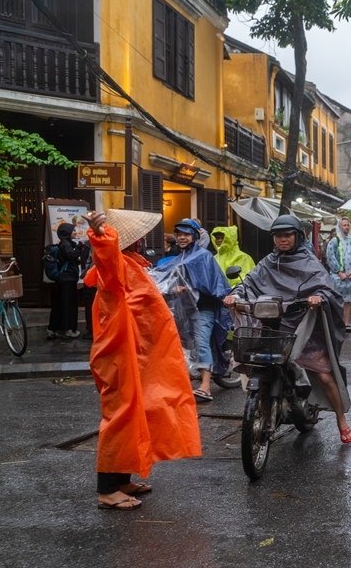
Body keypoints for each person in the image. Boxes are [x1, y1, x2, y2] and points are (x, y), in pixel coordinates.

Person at [83, 209, 201, 511]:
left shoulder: (131, 264)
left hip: (134, 352)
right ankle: (107, 489)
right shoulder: (116, 265)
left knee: (136, 412)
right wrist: (101, 237)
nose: (142, 240)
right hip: (120, 353)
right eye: (137, 237)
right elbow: (106, 260)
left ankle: (121, 478)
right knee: (120, 416)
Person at [224, 215, 351, 444]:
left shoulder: (309, 261)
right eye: (278, 236)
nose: (282, 240)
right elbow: (249, 283)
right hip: (274, 326)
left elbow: (327, 288)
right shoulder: (268, 262)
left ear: (297, 237)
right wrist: (235, 295)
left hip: (304, 327)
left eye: (287, 235)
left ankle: (341, 419)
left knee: (323, 375)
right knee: (256, 362)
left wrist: (317, 297)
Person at [155, 218, 230, 403]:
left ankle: (205, 387)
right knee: (183, 346)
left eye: (186, 234)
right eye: (179, 234)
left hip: (203, 308)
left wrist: (190, 288)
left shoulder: (203, 256)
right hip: (184, 310)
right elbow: (166, 279)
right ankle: (183, 383)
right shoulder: (177, 259)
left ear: (195, 237)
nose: (181, 238)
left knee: (202, 342)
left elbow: (212, 283)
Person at [48, 222, 83, 339]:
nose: (75, 232)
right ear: (67, 233)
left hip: (64, 278)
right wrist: (80, 245)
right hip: (67, 279)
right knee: (69, 304)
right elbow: (72, 256)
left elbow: (68, 259)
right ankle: (68, 330)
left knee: (60, 304)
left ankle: (53, 329)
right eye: (73, 231)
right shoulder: (65, 245)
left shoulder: (64, 244)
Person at [327, 217, 351, 328]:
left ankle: (346, 323)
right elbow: (330, 257)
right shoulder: (334, 242)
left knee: (348, 301)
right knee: (338, 300)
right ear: (340, 226)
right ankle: (338, 323)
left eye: (348, 225)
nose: (346, 227)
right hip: (339, 276)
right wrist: (338, 272)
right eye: (344, 225)